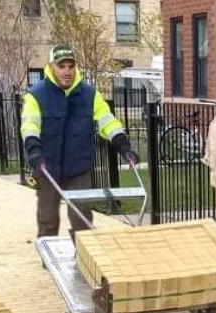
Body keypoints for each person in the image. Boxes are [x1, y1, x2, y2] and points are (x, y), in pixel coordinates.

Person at [21, 45, 138, 239]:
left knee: (82, 219)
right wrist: (34, 150)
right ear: (51, 67)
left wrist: (123, 146)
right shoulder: (36, 95)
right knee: (48, 219)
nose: (67, 71)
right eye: (62, 66)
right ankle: (48, 256)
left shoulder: (90, 95)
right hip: (47, 167)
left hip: (78, 167)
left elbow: (107, 122)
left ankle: (83, 258)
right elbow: (30, 125)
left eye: (70, 66)